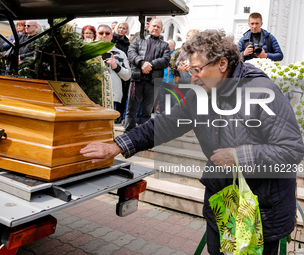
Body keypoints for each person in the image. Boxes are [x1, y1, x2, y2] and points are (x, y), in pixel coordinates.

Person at [80, 29, 304, 255]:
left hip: (261, 208)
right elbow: (164, 124)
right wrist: (117, 145)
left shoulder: (262, 91)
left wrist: (239, 156)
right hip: (223, 201)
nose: (193, 76)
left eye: (198, 69)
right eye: (190, 69)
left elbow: (291, 149)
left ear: (223, 63)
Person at [124, 18, 170, 132]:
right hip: (137, 79)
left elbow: (166, 60)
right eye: (154, 26)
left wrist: (150, 65)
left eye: (158, 27)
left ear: (161, 30)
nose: (155, 28)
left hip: (153, 82)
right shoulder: (138, 40)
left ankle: (142, 134)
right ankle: (128, 132)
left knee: (147, 111)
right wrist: (142, 63)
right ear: (148, 27)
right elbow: (131, 53)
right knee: (132, 109)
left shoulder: (164, 45)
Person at [96, 25, 131, 110]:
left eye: (107, 33)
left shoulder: (120, 53)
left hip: (111, 97)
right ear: (97, 35)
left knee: (109, 123)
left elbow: (127, 76)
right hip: (93, 95)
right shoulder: (89, 52)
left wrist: (116, 67)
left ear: (111, 36)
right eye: (101, 33)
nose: (104, 35)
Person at [112, 21, 131, 123]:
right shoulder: (113, 39)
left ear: (127, 30)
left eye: (124, 28)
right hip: (114, 67)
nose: (121, 30)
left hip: (123, 68)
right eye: (120, 28)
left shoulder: (127, 42)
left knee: (122, 94)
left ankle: (119, 115)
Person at [159, 38, 177, 113]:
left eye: (168, 44)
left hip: (173, 81)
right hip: (163, 80)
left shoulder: (176, 54)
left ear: (173, 45)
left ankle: (174, 115)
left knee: (174, 99)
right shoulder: (163, 53)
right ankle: (163, 115)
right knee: (162, 99)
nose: (166, 46)